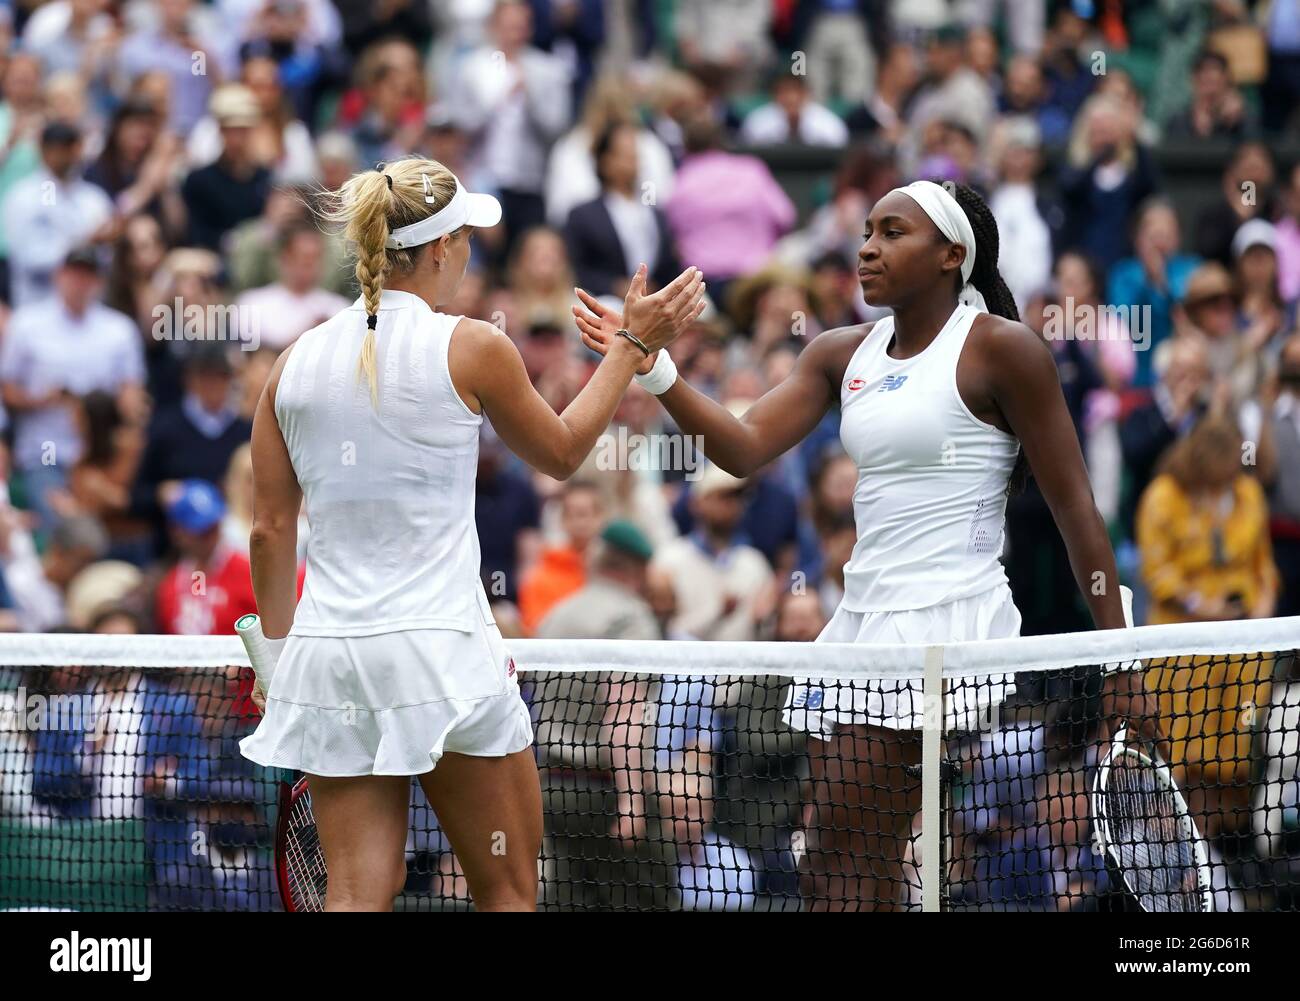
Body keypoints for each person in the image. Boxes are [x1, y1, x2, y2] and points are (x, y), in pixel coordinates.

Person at [575, 179, 1155, 910]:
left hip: (944, 624)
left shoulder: (1005, 352)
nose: (867, 247)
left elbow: (1078, 512)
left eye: (892, 232)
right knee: (854, 864)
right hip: (863, 624)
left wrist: (1120, 656)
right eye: (867, 231)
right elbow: (745, 446)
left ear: (951, 255)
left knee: (834, 866)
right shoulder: (838, 352)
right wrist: (652, 363)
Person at [238, 154, 705, 912]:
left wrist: (281, 659)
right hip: (442, 660)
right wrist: (630, 346)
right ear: (436, 251)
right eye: (464, 239)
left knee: (356, 894)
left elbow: (268, 531)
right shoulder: (473, 345)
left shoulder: (290, 362)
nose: (469, 254)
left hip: (330, 662)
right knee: (509, 890)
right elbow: (560, 453)